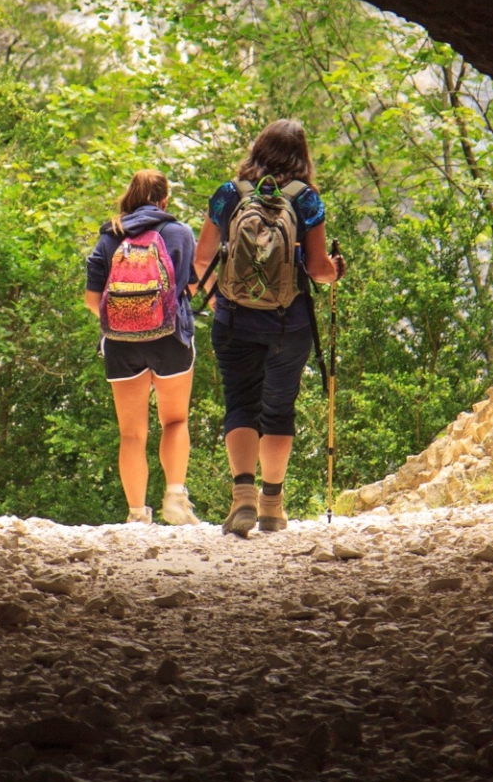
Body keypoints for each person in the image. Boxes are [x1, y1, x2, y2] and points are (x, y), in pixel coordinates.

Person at [194, 119, 345, 536]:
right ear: (303, 156)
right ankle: (272, 506)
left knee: (241, 403)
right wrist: (335, 272)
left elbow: (202, 258)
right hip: (288, 322)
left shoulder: (230, 194)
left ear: (257, 149)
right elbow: (317, 271)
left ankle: (242, 497)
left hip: (233, 317)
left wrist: (216, 301)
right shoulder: (305, 200)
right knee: (278, 408)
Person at [84, 169, 202, 525]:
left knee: (132, 433)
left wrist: (127, 319)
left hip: (121, 346)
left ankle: (137, 514)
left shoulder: (109, 237)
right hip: (171, 341)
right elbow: (191, 289)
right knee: (175, 419)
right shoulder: (179, 232)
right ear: (164, 200)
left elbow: (93, 301)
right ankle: (176, 497)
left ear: (130, 198)